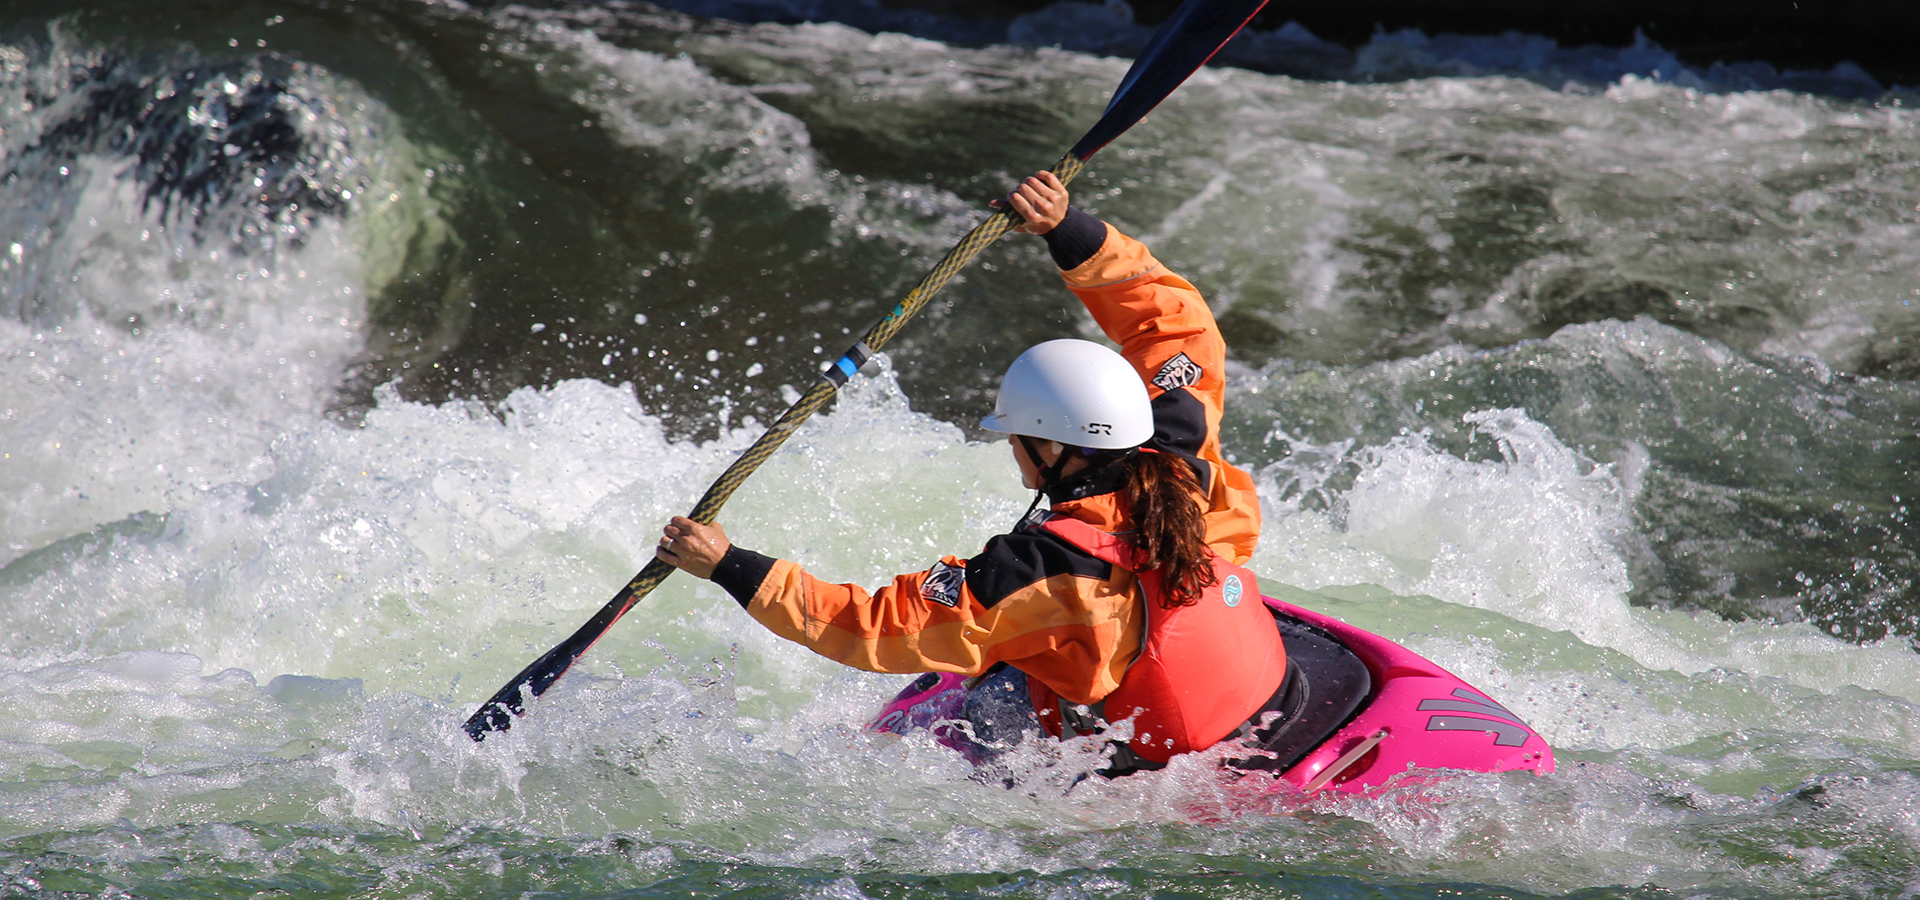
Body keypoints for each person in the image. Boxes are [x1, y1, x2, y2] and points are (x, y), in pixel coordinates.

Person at [656, 171, 1297, 776]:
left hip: (1145, 753)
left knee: (983, 695)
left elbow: (876, 627)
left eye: (1016, 438)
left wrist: (727, 564)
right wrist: (1066, 228)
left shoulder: (1035, 572)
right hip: (1258, 694)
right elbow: (1177, 322)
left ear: (1053, 450)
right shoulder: (1179, 448)